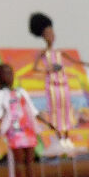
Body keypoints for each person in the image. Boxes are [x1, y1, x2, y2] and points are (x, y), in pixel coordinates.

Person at [0, 62, 42, 177]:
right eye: (6, 74)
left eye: (11, 73)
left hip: (27, 129)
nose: (10, 76)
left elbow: (32, 109)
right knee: (20, 162)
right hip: (14, 130)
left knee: (30, 162)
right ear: (0, 77)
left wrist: (46, 122)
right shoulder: (0, 94)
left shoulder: (21, 91)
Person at [28, 11, 78, 152]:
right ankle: (59, 138)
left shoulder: (59, 52)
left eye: (52, 33)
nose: (52, 36)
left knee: (66, 110)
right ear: (43, 36)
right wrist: (48, 70)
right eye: (48, 34)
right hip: (52, 85)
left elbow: (74, 60)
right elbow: (35, 68)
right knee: (55, 112)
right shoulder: (43, 53)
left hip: (63, 84)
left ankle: (67, 138)